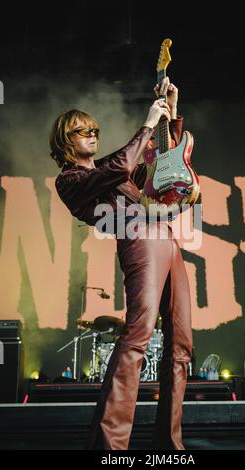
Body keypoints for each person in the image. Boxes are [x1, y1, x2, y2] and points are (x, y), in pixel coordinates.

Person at [50, 77, 193, 450]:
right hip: (139, 240)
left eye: (95, 130)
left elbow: (160, 171)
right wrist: (146, 124)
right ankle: (109, 444)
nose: (93, 135)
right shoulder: (71, 179)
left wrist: (169, 115)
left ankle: (170, 444)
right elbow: (118, 167)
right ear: (67, 140)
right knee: (138, 336)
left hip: (167, 239)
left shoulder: (115, 168)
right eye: (84, 131)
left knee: (181, 346)